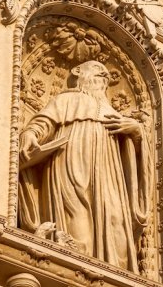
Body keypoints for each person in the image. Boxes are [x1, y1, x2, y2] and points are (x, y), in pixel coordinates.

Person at [18, 60, 150, 271]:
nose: (104, 76)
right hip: (70, 160)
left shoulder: (112, 111)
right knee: (76, 221)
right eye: (98, 71)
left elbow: (137, 158)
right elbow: (42, 122)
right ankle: (77, 275)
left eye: (106, 76)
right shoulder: (66, 99)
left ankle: (115, 275)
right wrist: (30, 134)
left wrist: (136, 130)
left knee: (117, 224)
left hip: (109, 171)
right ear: (78, 72)